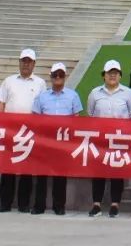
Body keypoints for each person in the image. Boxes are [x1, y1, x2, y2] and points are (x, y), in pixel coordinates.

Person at [0, 49, 46, 213]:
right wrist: (2, 122)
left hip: (30, 131)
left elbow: (42, 106)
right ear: (19, 62)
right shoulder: (9, 81)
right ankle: (5, 203)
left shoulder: (40, 83)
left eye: (29, 61)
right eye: (23, 61)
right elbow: (1, 103)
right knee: (7, 167)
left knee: (26, 168)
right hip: (10, 130)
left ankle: (24, 203)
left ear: (34, 64)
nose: (26, 64)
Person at [31, 63, 82, 215]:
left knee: (60, 174)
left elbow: (77, 117)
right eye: (55, 75)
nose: (57, 78)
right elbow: (35, 117)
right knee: (41, 174)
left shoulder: (73, 95)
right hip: (45, 140)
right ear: (51, 77)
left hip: (63, 141)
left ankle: (59, 205)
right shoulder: (42, 96)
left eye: (60, 75)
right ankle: (39, 205)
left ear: (65, 77)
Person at [86, 59, 131, 217]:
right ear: (104, 76)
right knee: (98, 172)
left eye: (116, 73)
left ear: (120, 75)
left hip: (119, 139)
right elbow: (91, 114)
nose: (112, 75)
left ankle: (115, 204)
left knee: (117, 172)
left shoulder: (127, 93)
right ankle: (96, 204)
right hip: (100, 139)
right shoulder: (95, 93)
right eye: (109, 73)